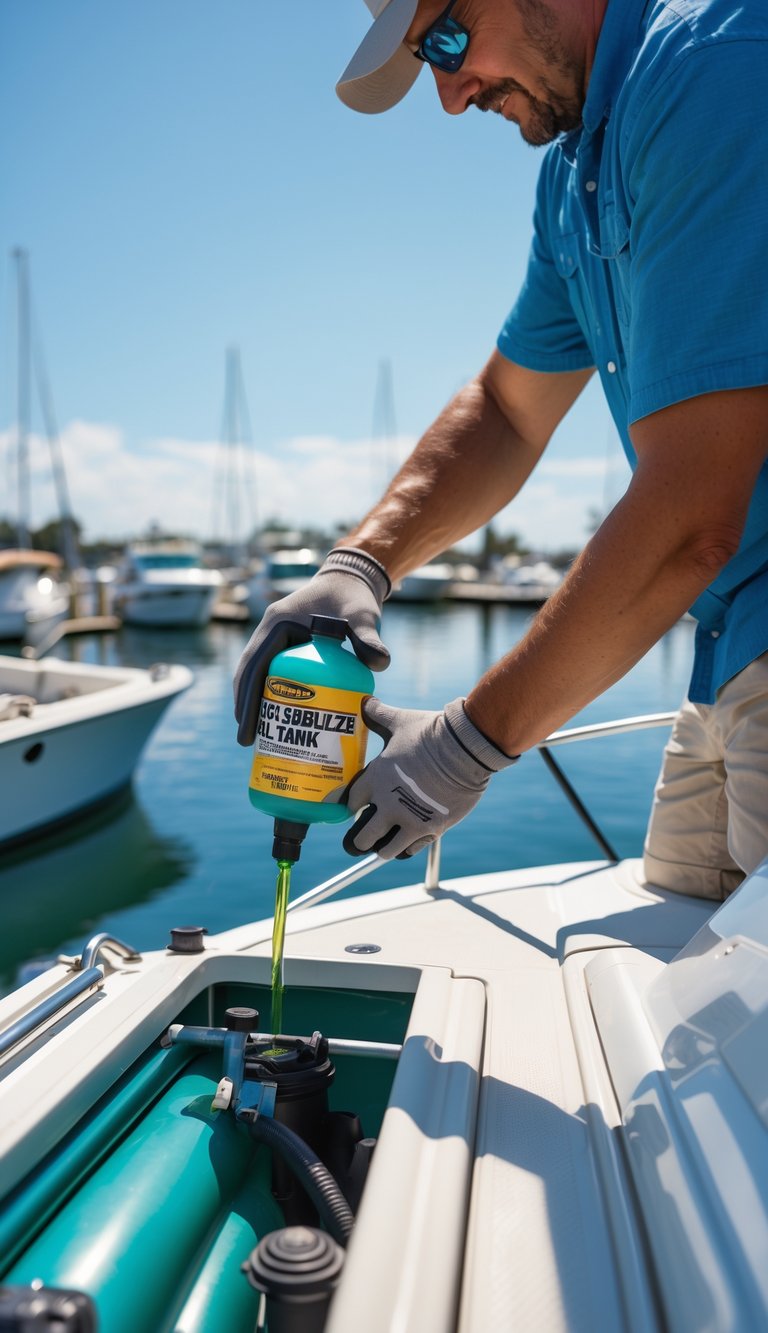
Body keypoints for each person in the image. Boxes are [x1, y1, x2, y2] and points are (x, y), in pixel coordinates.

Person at [235, 0, 768, 899]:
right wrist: (360, 564)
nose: (450, 95)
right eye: (426, 61)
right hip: (730, 651)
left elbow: (691, 520)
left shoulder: (715, 70)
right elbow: (507, 410)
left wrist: (467, 744)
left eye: (446, 40)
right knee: (682, 977)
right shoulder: (574, 176)